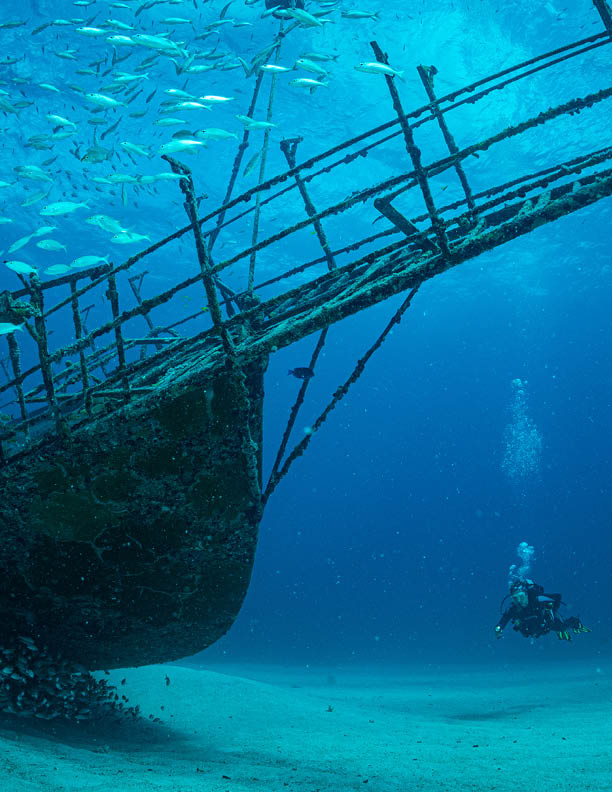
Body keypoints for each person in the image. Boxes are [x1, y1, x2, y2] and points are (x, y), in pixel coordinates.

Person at [495, 579, 591, 641]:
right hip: (531, 628)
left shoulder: (537, 599)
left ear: (526, 594)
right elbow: (505, 618)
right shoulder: (514, 608)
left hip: (546, 623)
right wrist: (499, 628)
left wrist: (551, 613)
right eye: (515, 598)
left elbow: (557, 598)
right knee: (525, 632)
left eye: (521, 596)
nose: (519, 601)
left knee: (562, 627)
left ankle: (576, 622)